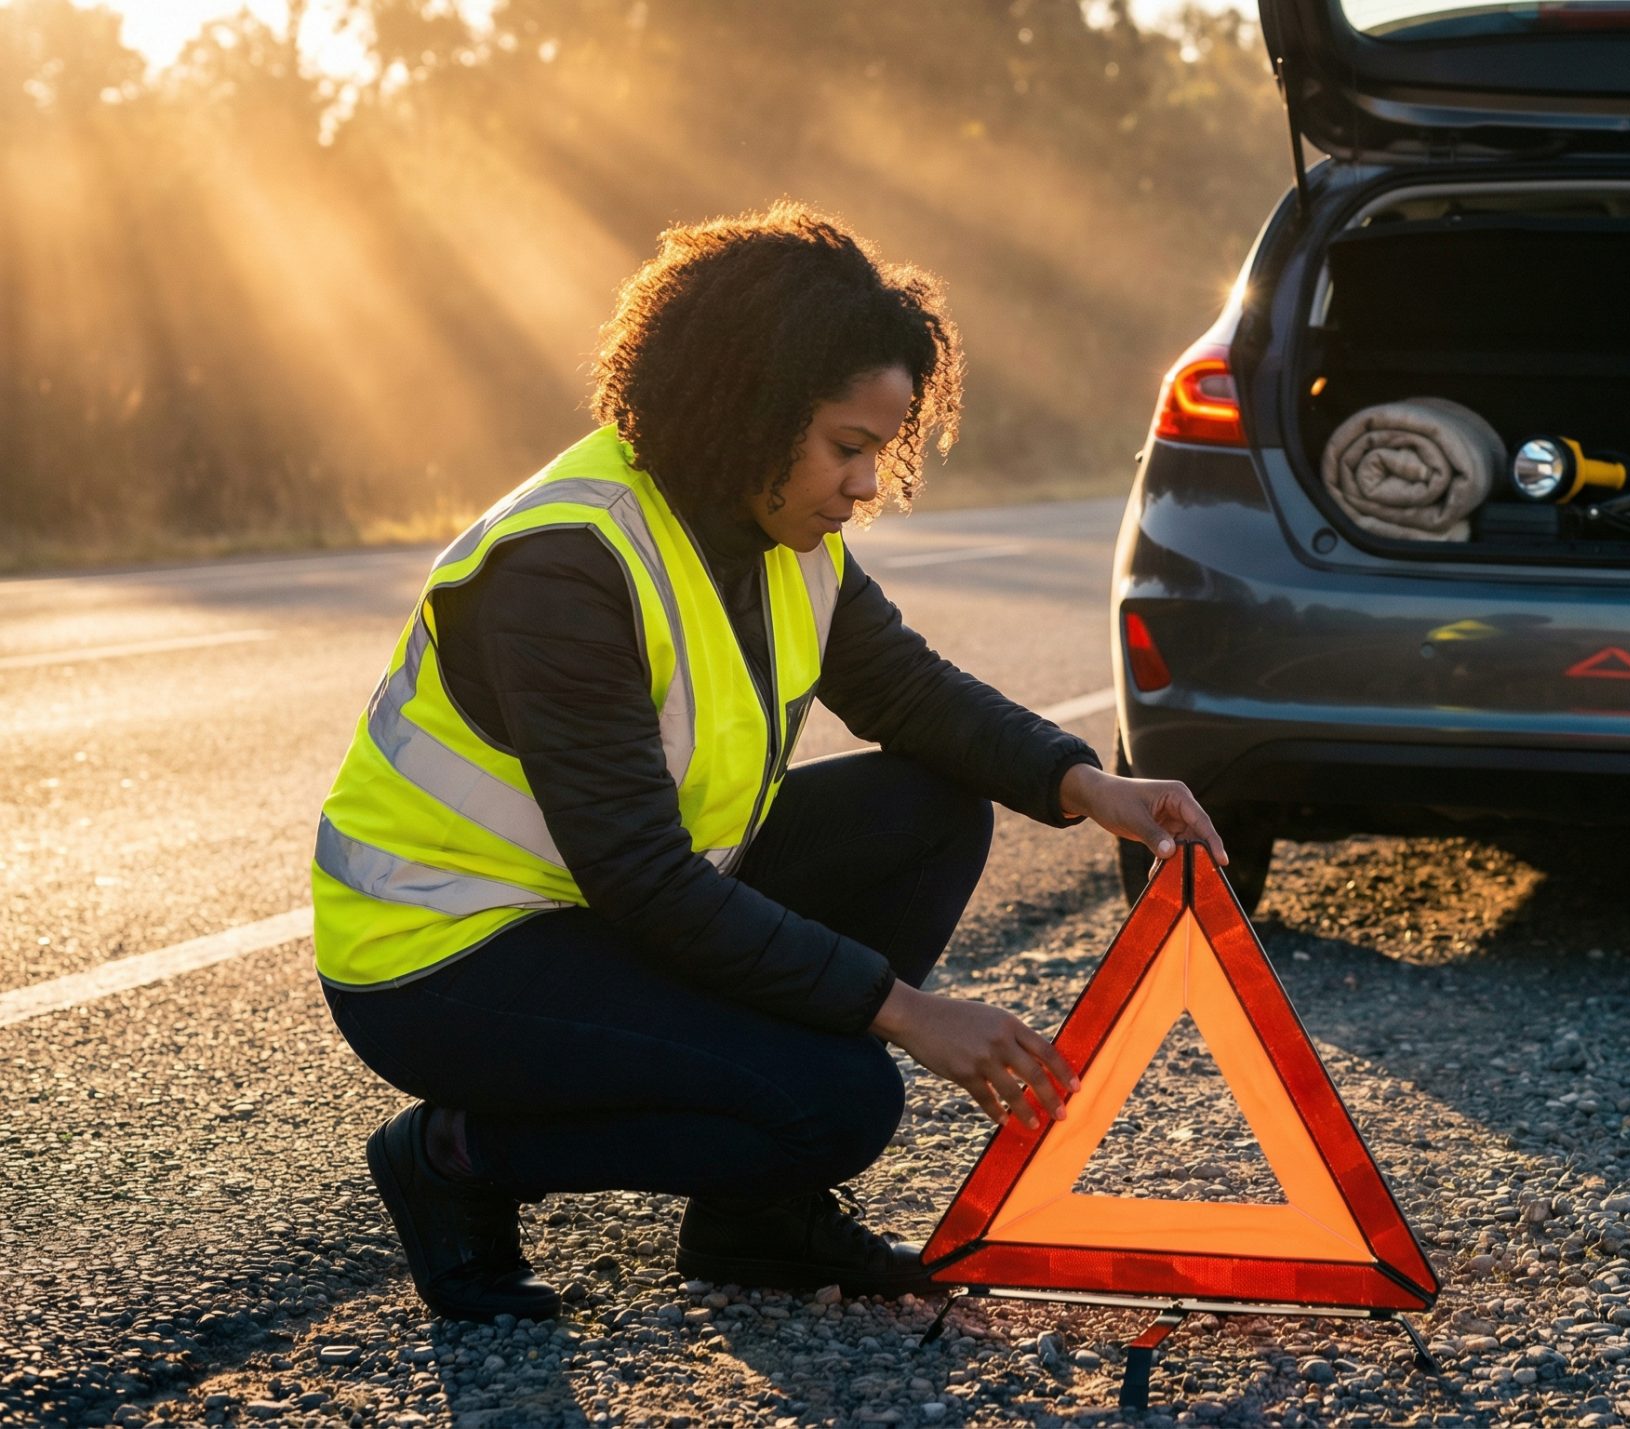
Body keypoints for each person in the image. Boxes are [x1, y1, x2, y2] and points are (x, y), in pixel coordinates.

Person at [310, 202, 1229, 1323]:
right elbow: (644, 878)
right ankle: (452, 1156)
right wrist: (900, 1010)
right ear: (748, 411)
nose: (863, 489)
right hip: (446, 957)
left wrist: (1087, 786)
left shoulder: (781, 533)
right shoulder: (567, 560)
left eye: (877, 454)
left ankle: (752, 1221)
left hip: (604, 908)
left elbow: (908, 689)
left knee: (931, 809)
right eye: (848, 448)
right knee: (840, 1103)